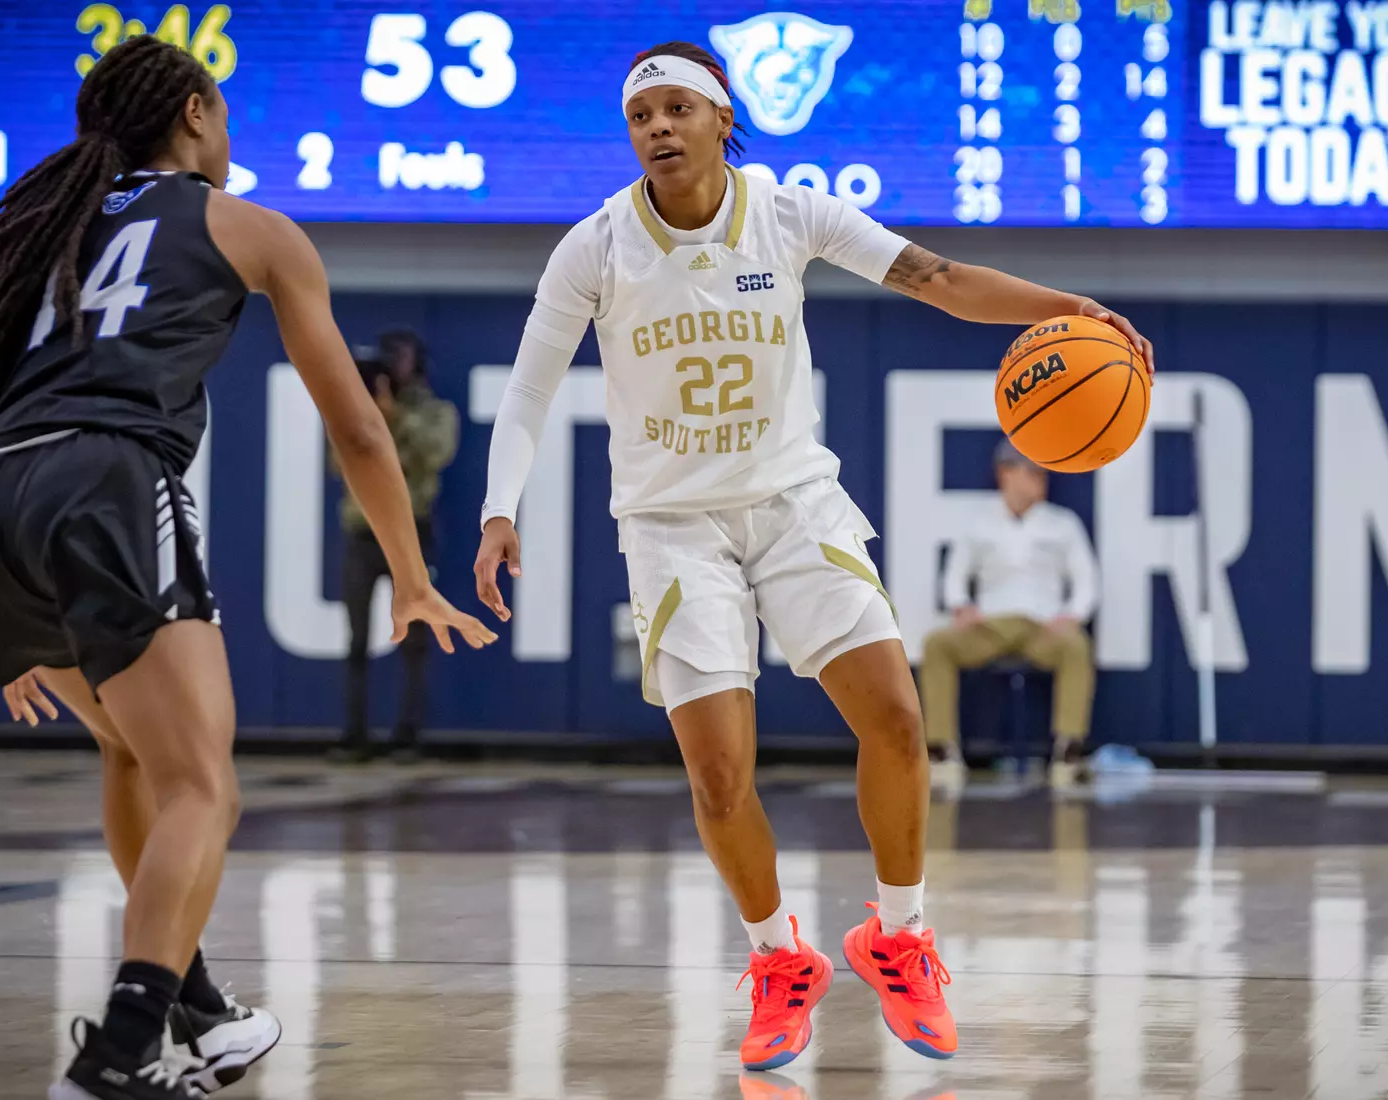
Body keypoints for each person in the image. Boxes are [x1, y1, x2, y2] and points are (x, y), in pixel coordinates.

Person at [473, 41, 1154, 1070]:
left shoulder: (791, 211)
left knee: (895, 714)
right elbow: (529, 386)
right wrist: (497, 508)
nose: (656, 128)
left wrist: (1067, 308)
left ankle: (900, 930)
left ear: (719, 117)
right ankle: (778, 955)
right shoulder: (596, 246)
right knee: (717, 773)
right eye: (640, 115)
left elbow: (938, 277)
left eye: (675, 110)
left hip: (795, 503)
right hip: (670, 524)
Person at [0, 36, 494, 1100]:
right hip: (106, 478)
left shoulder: (19, 229)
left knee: (136, 757)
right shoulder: (248, 227)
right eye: (224, 115)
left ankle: (200, 1010)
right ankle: (119, 1051)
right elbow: (362, 433)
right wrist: (413, 578)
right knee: (204, 784)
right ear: (193, 114)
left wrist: (12, 602)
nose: (229, 136)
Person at [920, 444, 1100, 787]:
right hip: (990, 625)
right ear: (1005, 473)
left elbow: (1086, 579)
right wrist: (961, 605)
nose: (1039, 481)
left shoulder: (1062, 524)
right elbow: (955, 574)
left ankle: (1068, 750)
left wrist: (1073, 615)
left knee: (1077, 647)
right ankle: (942, 750)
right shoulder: (979, 523)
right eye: (1031, 472)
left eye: (1043, 474)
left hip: (1042, 628)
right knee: (937, 644)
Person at [332, 330, 460, 762]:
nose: (392, 366)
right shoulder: (360, 411)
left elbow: (437, 453)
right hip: (363, 532)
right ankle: (355, 735)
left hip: (410, 532)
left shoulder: (436, 412)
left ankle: (408, 736)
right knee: (356, 640)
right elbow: (340, 460)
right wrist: (372, 417)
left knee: (416, 641)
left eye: (400, 358)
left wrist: (395, 418)